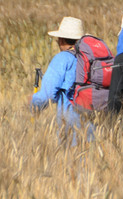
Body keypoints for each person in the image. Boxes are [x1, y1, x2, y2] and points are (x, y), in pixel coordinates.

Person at [31, 16, 89, 145]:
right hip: (95, 124)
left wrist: (31, 107)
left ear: (61, 39)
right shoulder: (90, 58)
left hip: (71, 125)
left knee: (70, 162)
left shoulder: (62, 59)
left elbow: (47, 95)